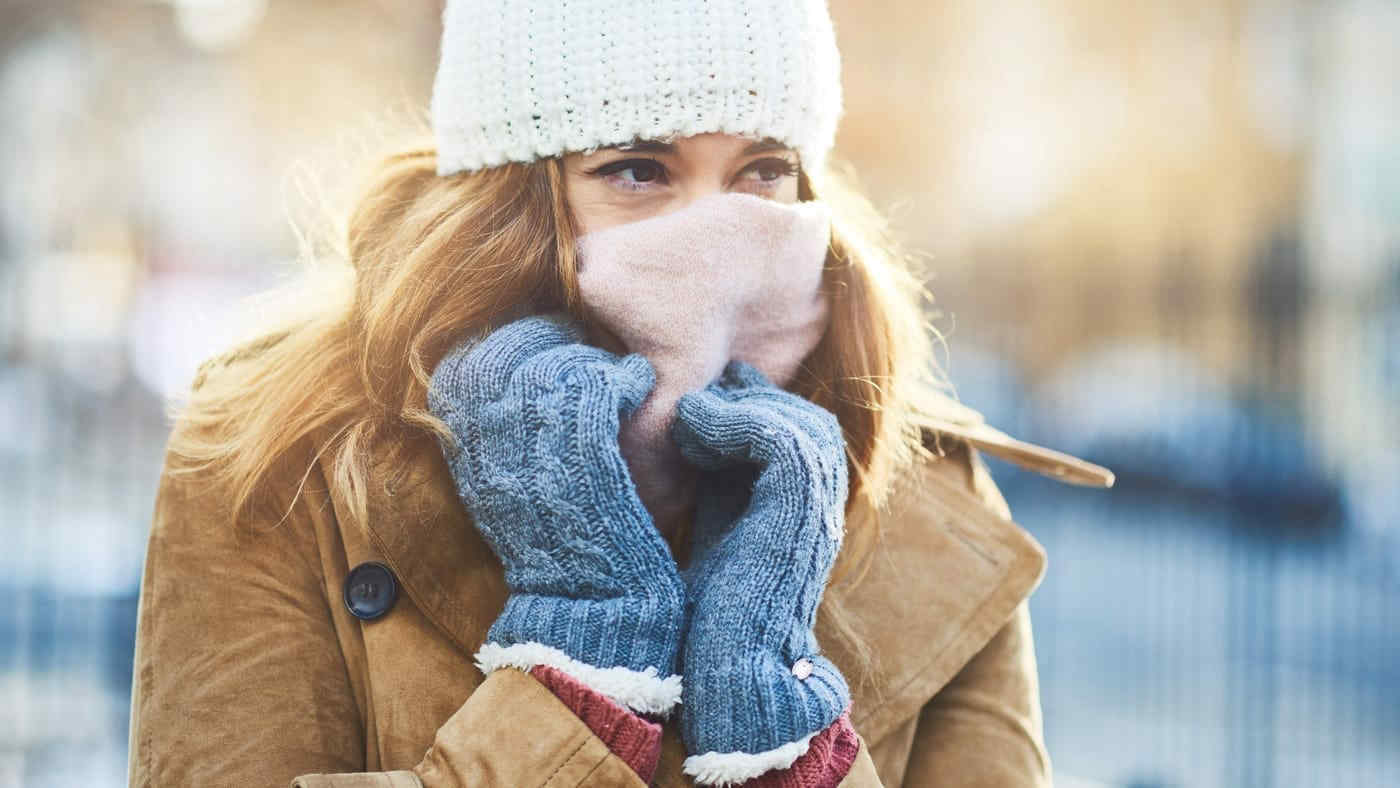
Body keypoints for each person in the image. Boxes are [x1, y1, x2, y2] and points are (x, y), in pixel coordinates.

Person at [125, 0, 1115, 785]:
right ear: (509, 198)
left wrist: (782, 743)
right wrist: (574, 677)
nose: (715, 237)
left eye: (761, 170)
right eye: (637, 169)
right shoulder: (281, 453)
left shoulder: (923, 491)